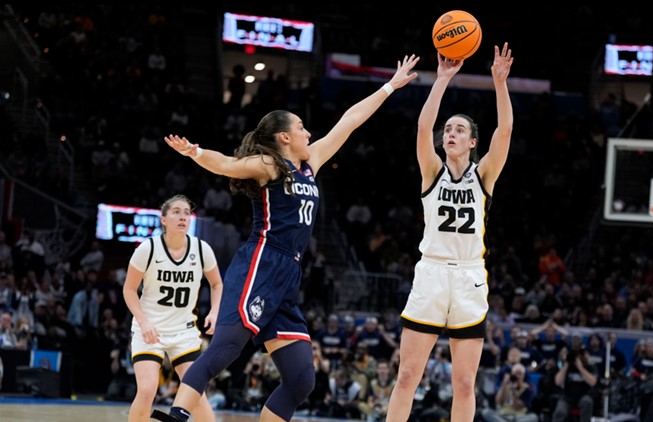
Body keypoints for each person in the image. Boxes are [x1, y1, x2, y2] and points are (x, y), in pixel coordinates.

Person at [151, 53, 420, 422]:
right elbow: (227, 164)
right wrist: (195, 152)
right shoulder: (269, 166)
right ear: (285, 137)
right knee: (228, 346)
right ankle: (178, 414)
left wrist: (390, 85)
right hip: (261, 261)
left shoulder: (310, 163)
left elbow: (350, 121)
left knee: (300, 378)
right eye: (302, 127)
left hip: (289, 272)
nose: (310, 132)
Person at [385, 43, 514, 422]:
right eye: (450, 129)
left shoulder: (484, 174)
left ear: (473, 142)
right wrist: (441, 79)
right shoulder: (432, 170)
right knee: (407, 374)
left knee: (464, 383)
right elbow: (424, 126)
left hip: (470, 277)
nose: (451, 133)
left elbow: (505, 129)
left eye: (460, 129)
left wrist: (499, 83)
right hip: (432, 272)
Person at [123, 194, 223, 422]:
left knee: (195, 395)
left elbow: (217, 283)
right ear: (164, 219)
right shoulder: (148, 249)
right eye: (176, 212)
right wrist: (143, 321)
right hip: (150, 329)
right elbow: (129, 289)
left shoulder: (201, 249)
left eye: (187, 213)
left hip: (184, 331)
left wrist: (215, 312)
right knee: (147, 390)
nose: (182, 217)